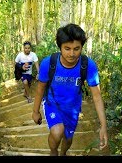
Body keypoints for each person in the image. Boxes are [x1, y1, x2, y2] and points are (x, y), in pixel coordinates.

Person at [32, 23, 108, 156]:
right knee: (57, 131)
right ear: (60, 47)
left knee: (68, 139)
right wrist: (35, 111)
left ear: (81, 48)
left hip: (73, 108)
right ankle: (53, 151)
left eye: (76, 49)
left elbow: (96, 96)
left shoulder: (88, 66)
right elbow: (40, 89)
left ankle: (63, 153)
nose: (72, 54)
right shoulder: (48, 63)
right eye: (67, 48)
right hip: (52, 103)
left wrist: (103, 126)